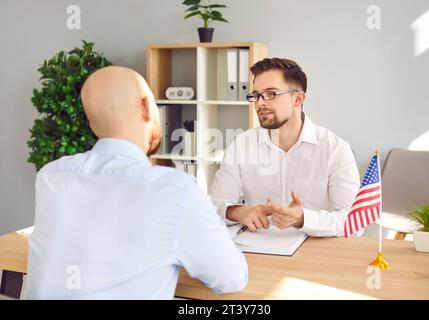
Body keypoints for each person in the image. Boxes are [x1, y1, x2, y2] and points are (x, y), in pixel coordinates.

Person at [23, 66, 248, 299]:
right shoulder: (176, 191)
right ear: (147, 107)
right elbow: (231, 278)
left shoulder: (51, 176)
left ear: (92, 123)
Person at [210, 58, 360, 237]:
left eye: (271, 94)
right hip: (257, 249)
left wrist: (303, 219)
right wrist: (237, 212)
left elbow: (354, 222)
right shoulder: (241, 145)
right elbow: (212, 206)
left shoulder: (335, 149)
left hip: (316, 252)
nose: (260, 103)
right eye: (256, 95)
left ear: (297, 99)